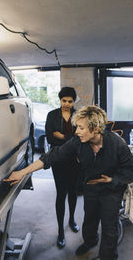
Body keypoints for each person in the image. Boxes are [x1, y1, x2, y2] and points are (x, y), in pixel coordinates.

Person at [5, 105, 133, 260]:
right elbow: (52, 156)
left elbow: (132, 170)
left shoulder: (116, 143)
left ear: (95, 129)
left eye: (81, 128)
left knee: (110, 229)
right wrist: (22, 172)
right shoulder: (78, 142)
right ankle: (90, 241)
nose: (76, 132)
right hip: (91, 187)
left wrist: (112, 180)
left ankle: (108, 256)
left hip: (112, 189)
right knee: (89, 220)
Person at [45, 86, 80, 248]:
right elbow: (49, 136)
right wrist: (70, 138)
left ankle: (72, 219)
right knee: (61, 193)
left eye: (70, 101)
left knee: (73, 191)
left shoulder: (79, 115)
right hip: (58, 159)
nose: (66, 104)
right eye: (64, 100)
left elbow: (80, 137)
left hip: (75, 159)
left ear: (74, 102)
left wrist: (62, 136)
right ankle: (60, 231)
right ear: (60, 100)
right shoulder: (52, 115)